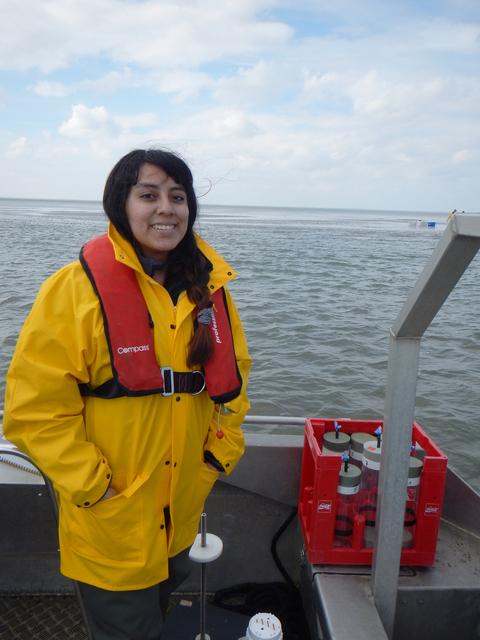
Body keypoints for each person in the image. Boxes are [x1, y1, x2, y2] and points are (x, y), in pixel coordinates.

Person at [3, 148, 251, 639]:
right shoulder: (74, 290)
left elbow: (235, 384)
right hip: (111, 522)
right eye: (148, 194)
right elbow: (32, 412)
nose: (166, 208)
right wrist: (97, 487)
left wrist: (217, 457)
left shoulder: (210, 291)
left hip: (179, 516)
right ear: (120, 205)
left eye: (178, 196)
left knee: (156, 619)